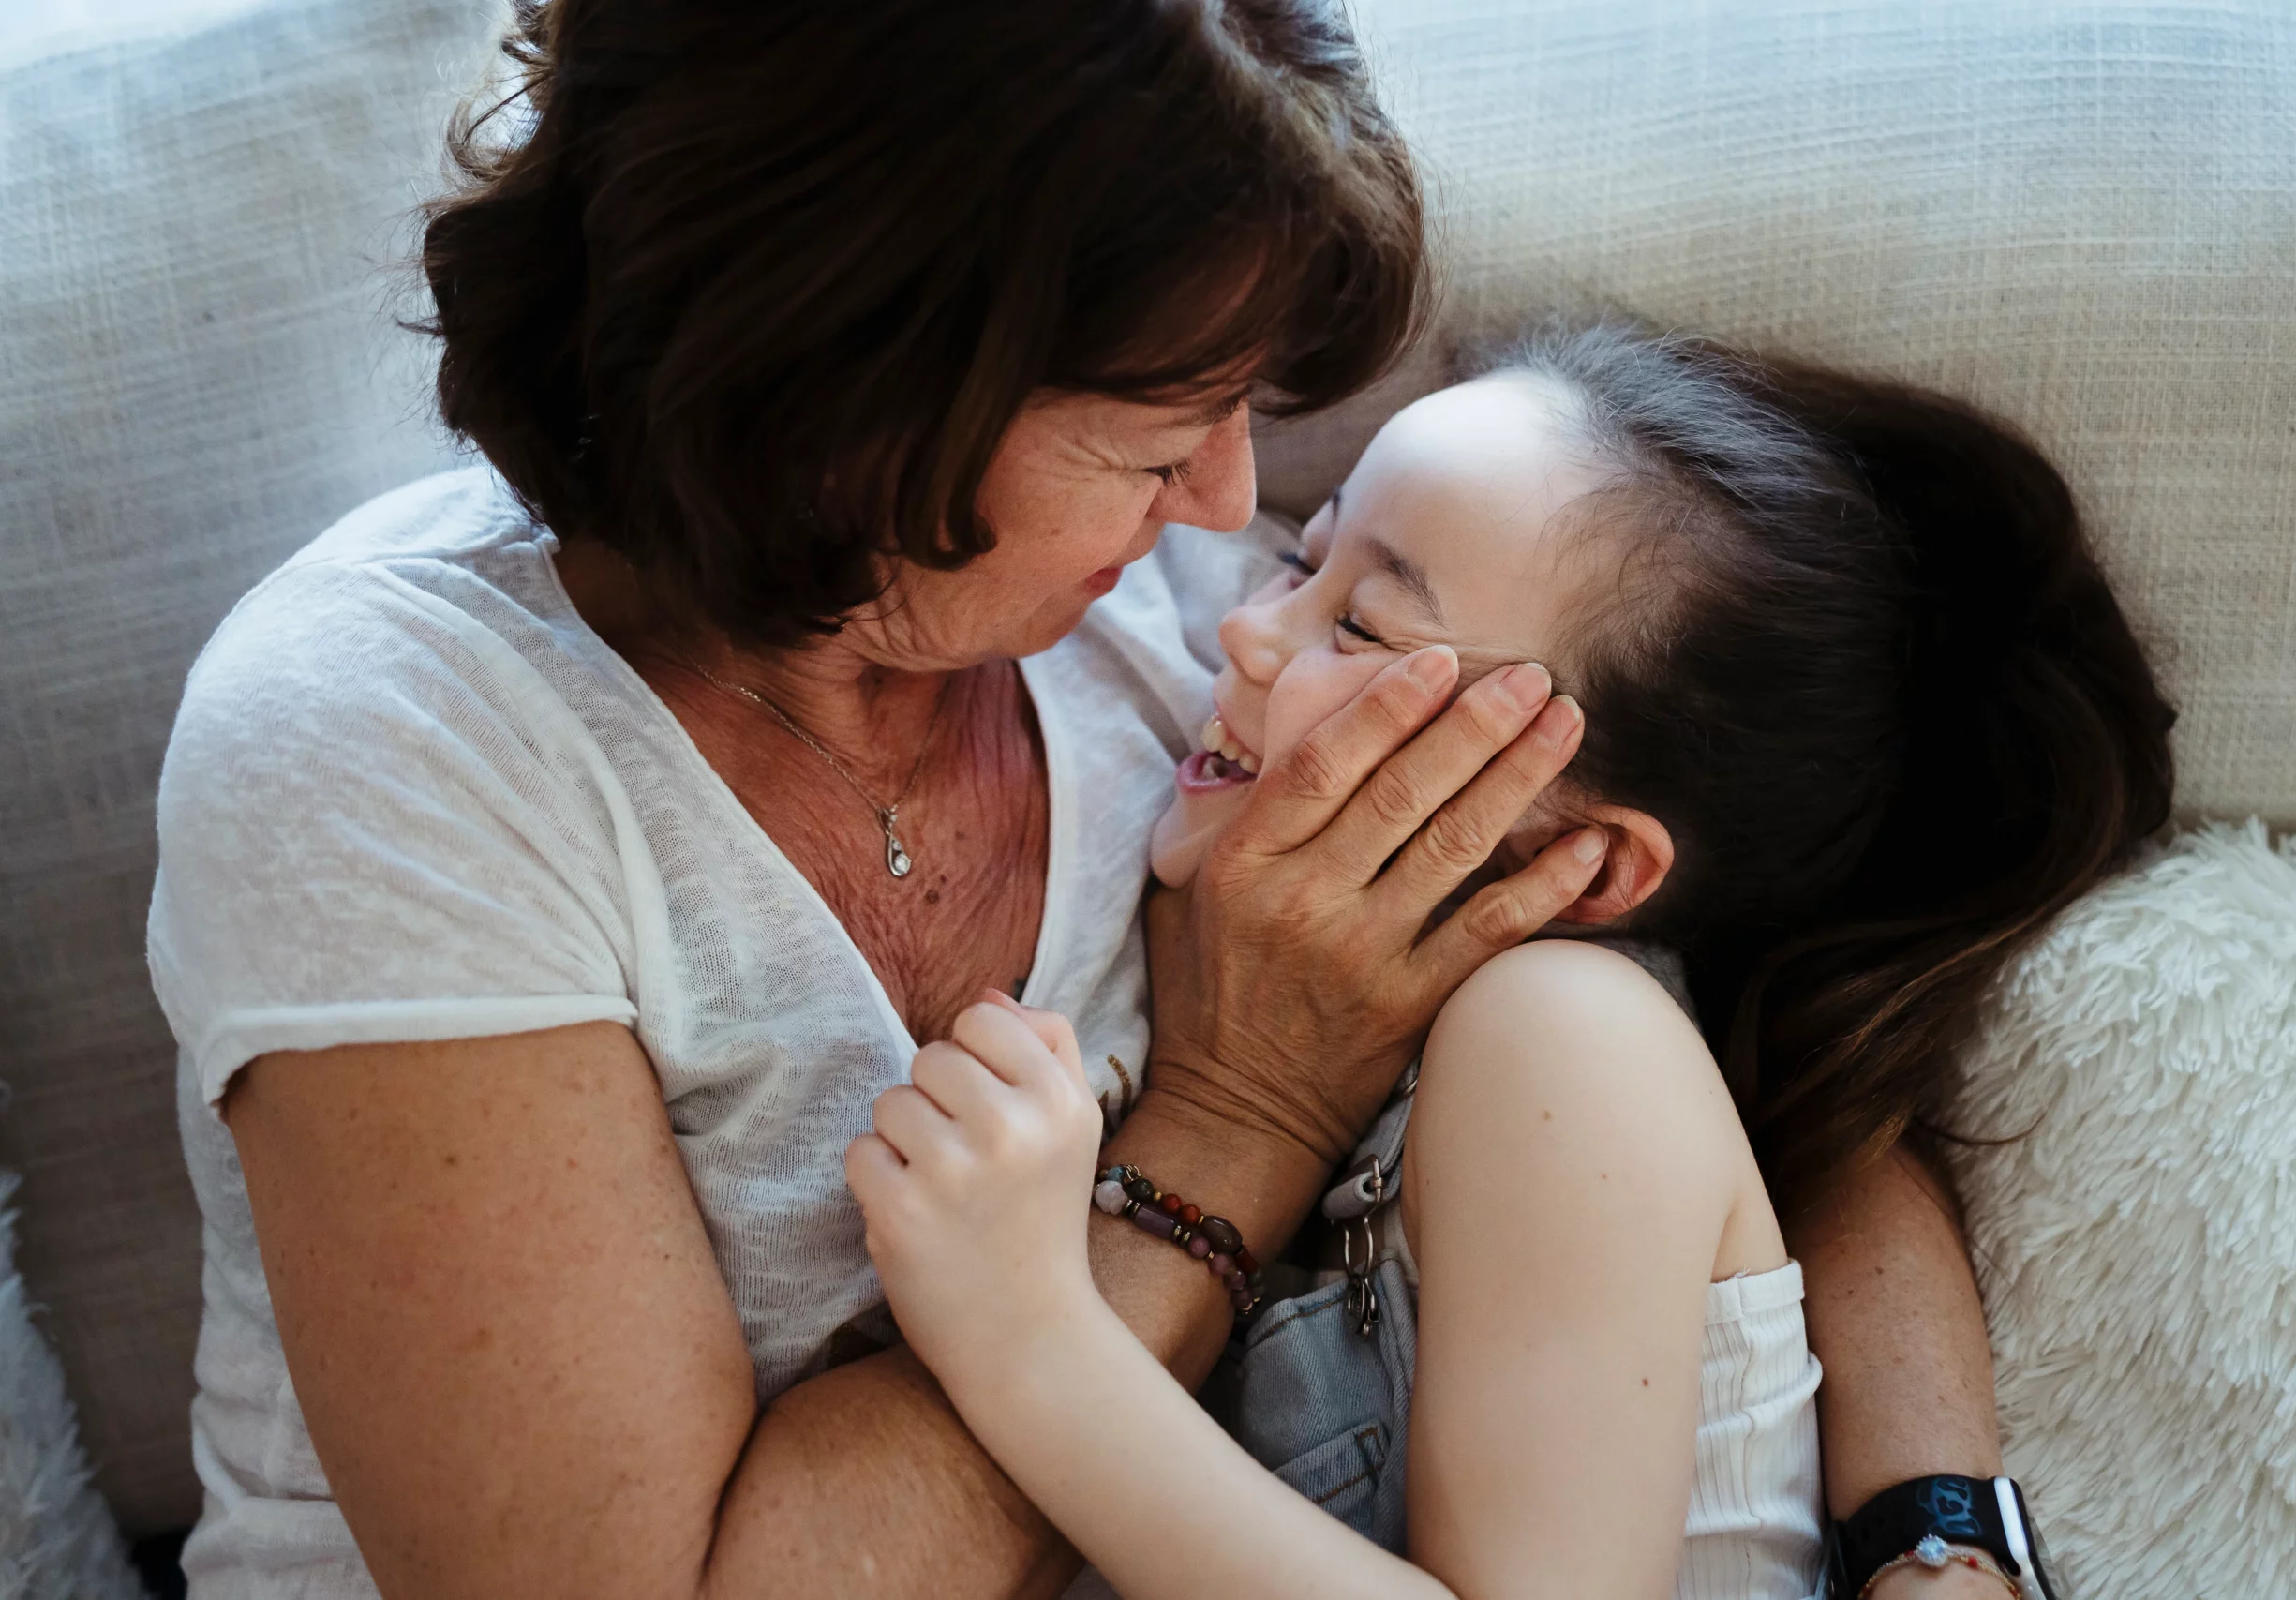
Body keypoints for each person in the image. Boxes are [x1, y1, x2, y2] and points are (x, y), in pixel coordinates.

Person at [149, 5, 2031, 1596]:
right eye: (1151, 436)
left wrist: (1941, 1539)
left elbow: (1789, 1069)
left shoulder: (1211, 643)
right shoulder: (395, 742)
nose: (1228, 505)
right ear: (848, 396)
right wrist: (1232, 1118)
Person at [845, 326, 2173, 1600]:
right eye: (1299, 558)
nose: (1246, 634)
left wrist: (1030, 1335)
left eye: (1360, 627)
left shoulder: (1566, 1036)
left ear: (1591, 864)